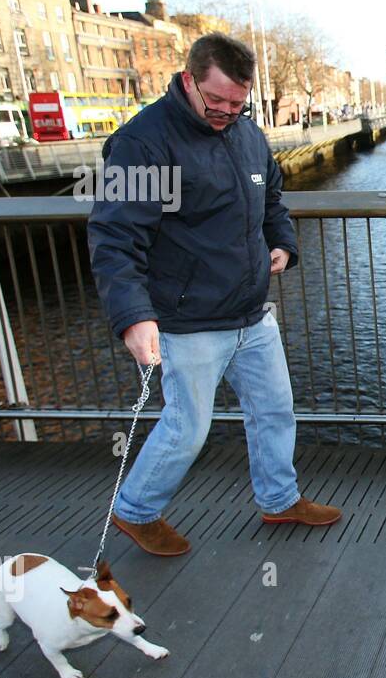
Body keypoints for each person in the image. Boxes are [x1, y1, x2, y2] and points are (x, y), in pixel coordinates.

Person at [88, 32, 341, 557]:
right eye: (217, 101)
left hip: (250, 311)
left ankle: (280, 498)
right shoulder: (144, 143)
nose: (228, 112)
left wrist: (283, 244)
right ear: (188, 80)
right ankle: (135, 511)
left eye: (238, 103)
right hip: (186, 319)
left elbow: (271, 196)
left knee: (275, 410)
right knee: (188, 427)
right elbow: (114, 235)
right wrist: (133, 315)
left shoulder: (247, 133)